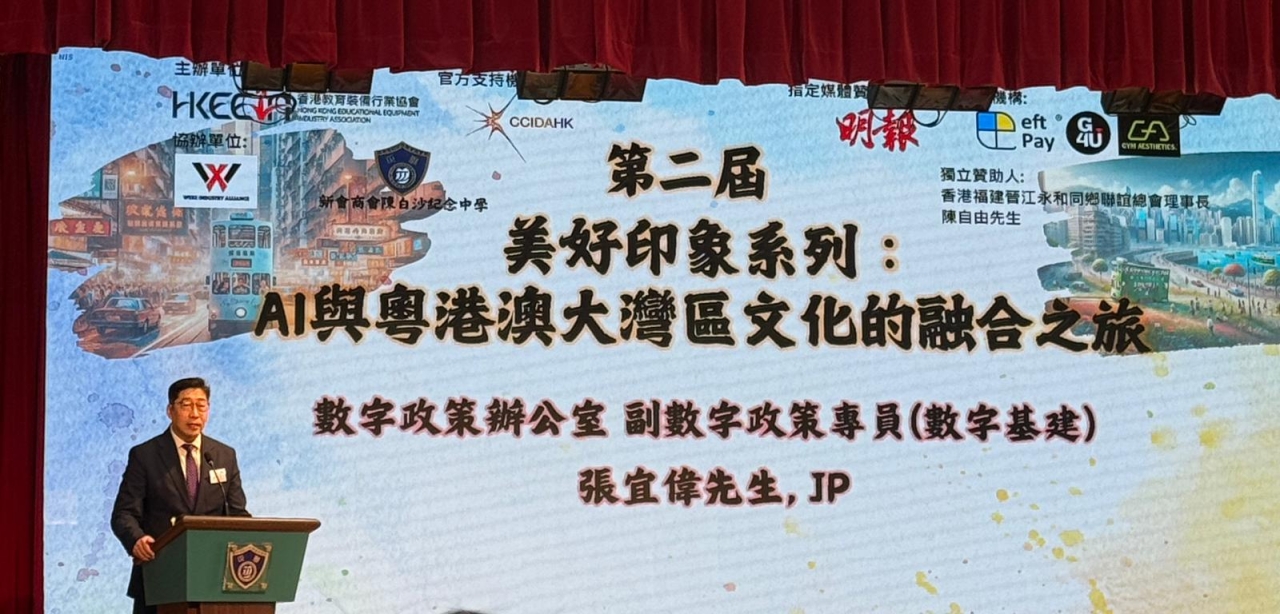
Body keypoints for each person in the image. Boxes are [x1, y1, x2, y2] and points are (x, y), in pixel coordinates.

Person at [110, 377, 251, 614]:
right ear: (170, 410)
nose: (194, 414)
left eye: (201, 406)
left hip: (212, 579)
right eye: (186, 405)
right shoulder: (145, 455)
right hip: (158, 577)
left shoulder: (224, 456)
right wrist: (136, 540)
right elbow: (124, 514)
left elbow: (237, 513)